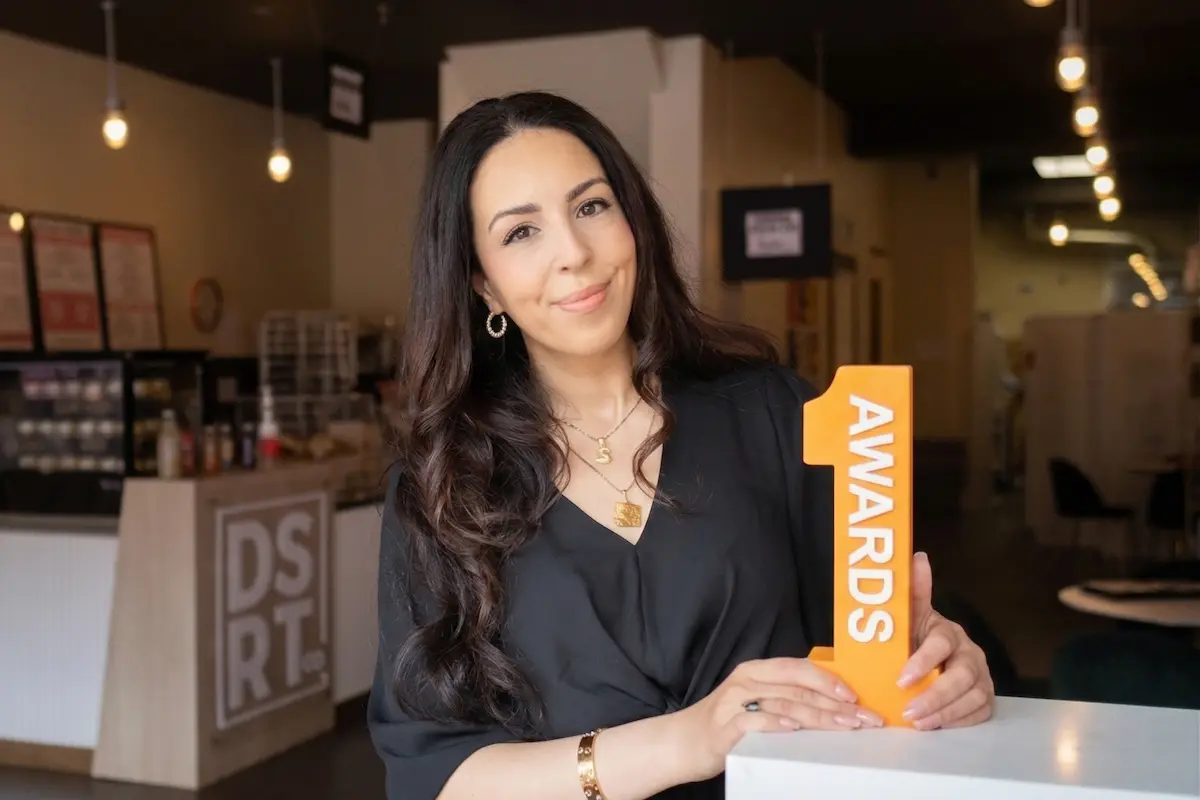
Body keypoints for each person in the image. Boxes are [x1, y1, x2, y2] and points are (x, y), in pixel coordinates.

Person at [368, 91, 995, 800]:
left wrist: (941, 666)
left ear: (633, 220)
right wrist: (686, 741)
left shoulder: (775, 415)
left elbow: (877, 653)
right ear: (484, 285)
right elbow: (436, 773)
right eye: (521, 233)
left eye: (591, 206)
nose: (574, 253)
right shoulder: (441, 488)